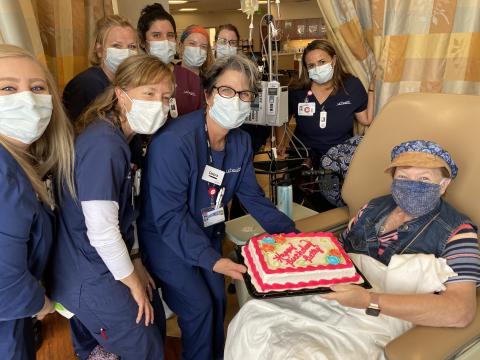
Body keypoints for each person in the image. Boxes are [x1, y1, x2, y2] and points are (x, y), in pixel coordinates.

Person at [225, 140, 479, 360]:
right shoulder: (372, 208)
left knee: (304, 353)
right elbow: (337, 255)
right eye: (403, 178)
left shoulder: (458, 232)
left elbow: (460, 311)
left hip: (378, 318)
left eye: (424, 179)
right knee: (253, 316)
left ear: (444, 185)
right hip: (331, 300)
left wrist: (370, 300)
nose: (411, 185)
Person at [138, 54, 297, 360]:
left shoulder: (240, 143)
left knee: (218, 303)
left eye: (245, 94)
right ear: (208, 94)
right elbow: (169, 217)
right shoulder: (175, 142)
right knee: (199, 307)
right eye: (227, 91)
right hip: (166, 241)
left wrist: (290, 233)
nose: (236, 100)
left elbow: (252, 197)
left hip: (207, 234)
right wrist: (214, 260)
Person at [49, 54, 174, 360]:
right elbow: (103, 232)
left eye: (166, 97)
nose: (158, 104)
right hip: (88, 270)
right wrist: (131, 281)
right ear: (121, 94)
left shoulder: (123, 139)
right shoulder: (103, 145)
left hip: (101, 261)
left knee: (152, 315)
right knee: (145, 345)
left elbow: (124, 213)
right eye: (149, 93)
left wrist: (136, 263)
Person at [0, 44, 75, 360]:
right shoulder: (4, 174)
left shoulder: (19, 162)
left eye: (37, 87)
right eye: (8, 88)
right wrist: (40, 304)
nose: (27, 99)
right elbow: (4, 284)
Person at [214, 24, 270, 218]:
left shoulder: (241, 142)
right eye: (223, 41)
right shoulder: (183, 141)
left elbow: (252, 196)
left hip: (241, 139)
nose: (227, 45)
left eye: (232, 42)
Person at [62, 15, 138, 122]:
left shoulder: (127, 84)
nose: (126, 52)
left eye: (132, 46)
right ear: (99, 50)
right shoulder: (88, 84)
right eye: (116, 46)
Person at [137, 2, 203, 117]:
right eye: (157, 35)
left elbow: (200, 121)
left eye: (170, 35)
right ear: (143, 42)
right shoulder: (134, 78)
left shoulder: (192, 80)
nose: (165, 41)